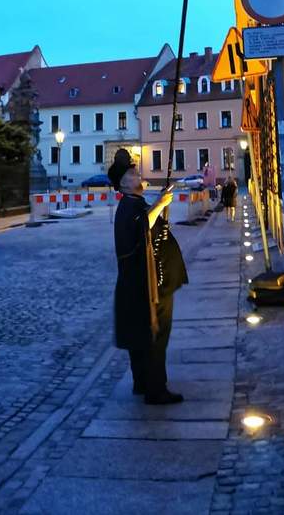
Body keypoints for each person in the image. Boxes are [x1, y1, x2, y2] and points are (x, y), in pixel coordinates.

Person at [109, 149, 188, 405]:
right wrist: (161, 205)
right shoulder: (128, 207)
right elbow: (143, 225)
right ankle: (155, 389)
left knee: (142, 335)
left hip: (145, 283)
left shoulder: (133, 203)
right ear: (122, 183)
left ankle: (143, 382)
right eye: (133, 174)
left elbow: (149, 226)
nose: (138, 175)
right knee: (155, 335)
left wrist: (160, 207)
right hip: (149, 284)